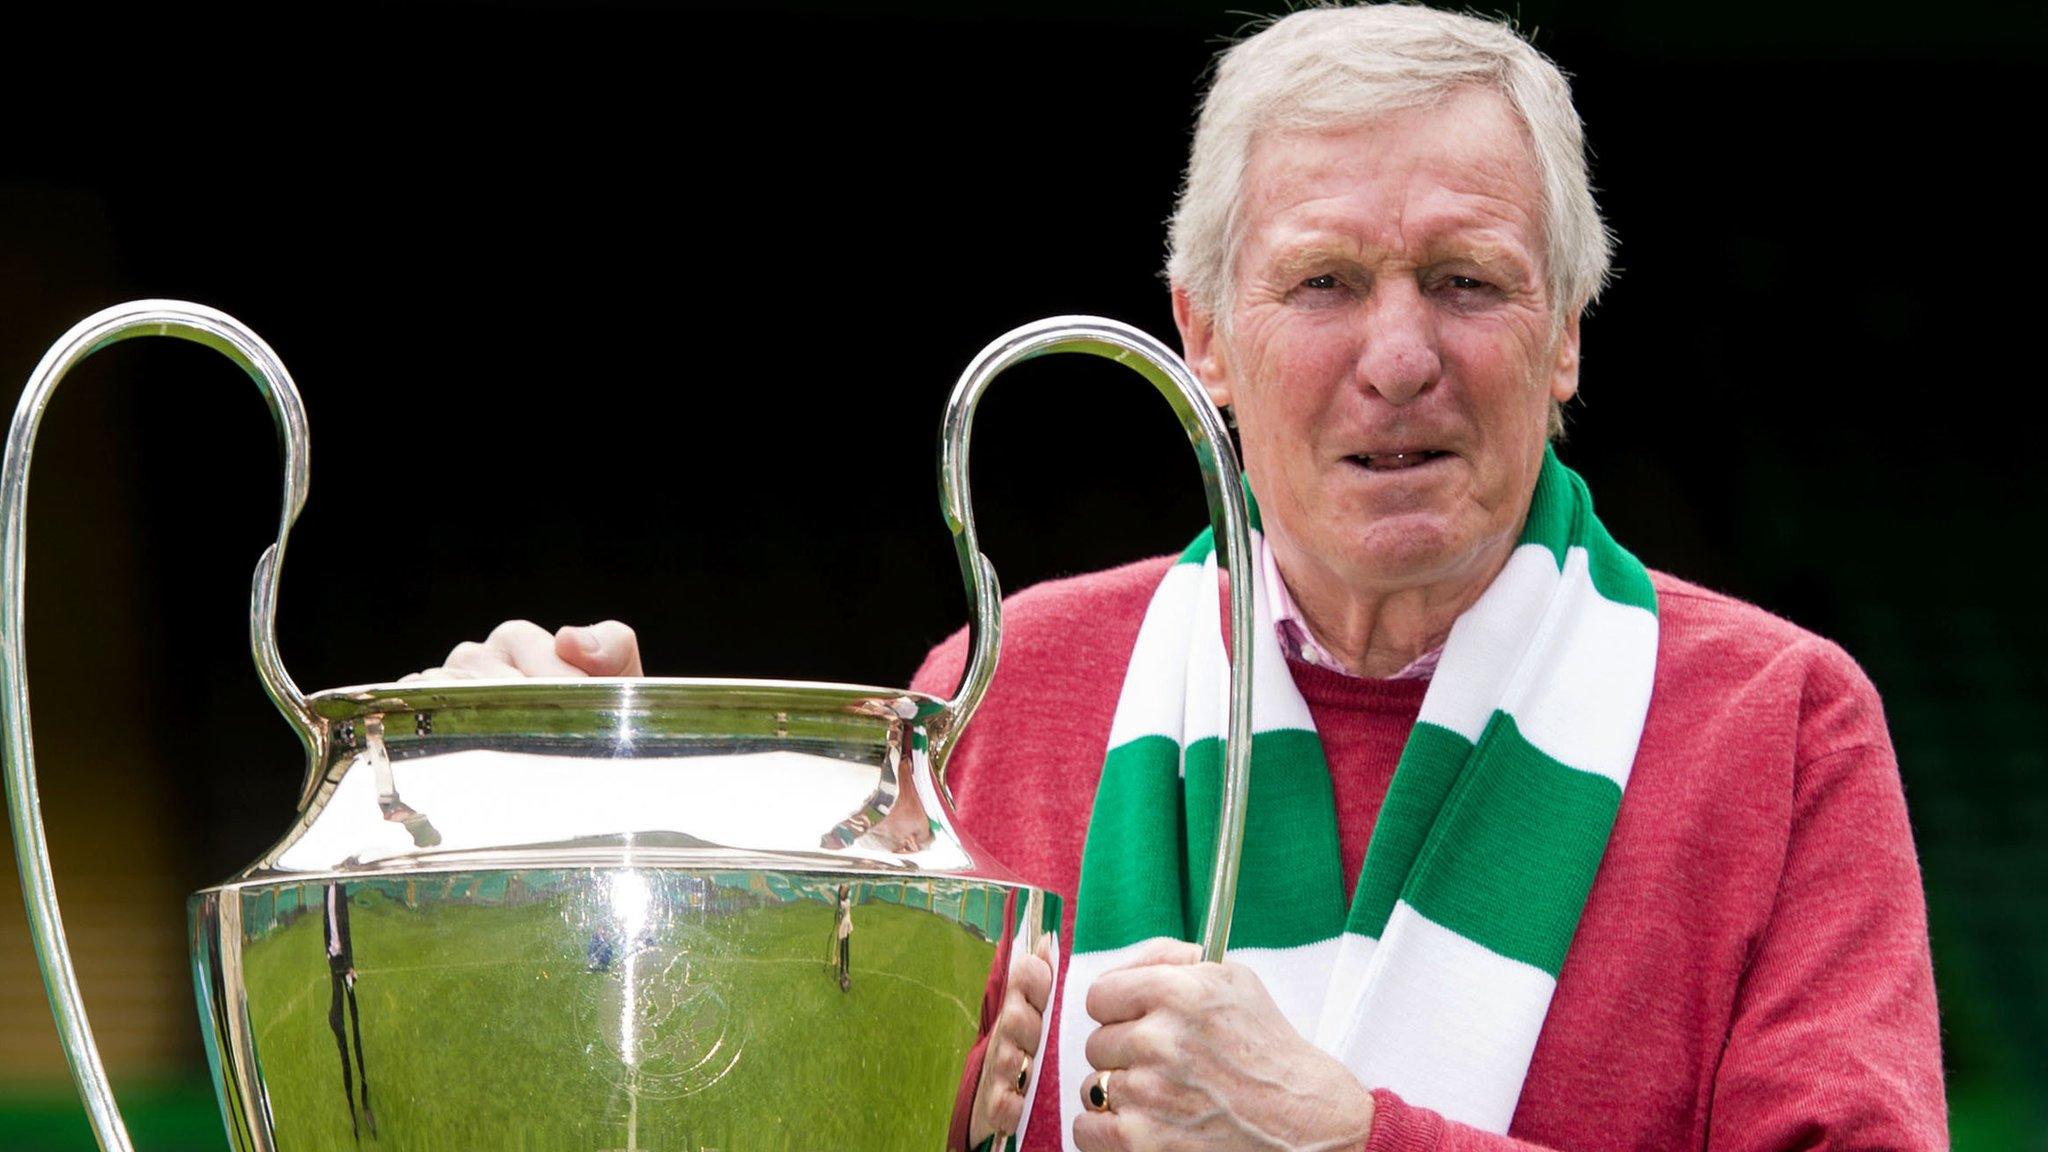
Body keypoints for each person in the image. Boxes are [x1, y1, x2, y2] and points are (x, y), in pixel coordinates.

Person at [415, 6, 1944, 1149]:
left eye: (1468, 282)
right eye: (1325, 283)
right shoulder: (1002, 686)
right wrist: (575, 827)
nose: (1399, 359)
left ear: (1567, 337)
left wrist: (1352, 1138)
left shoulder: (1781, 725)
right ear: (1203, 335)